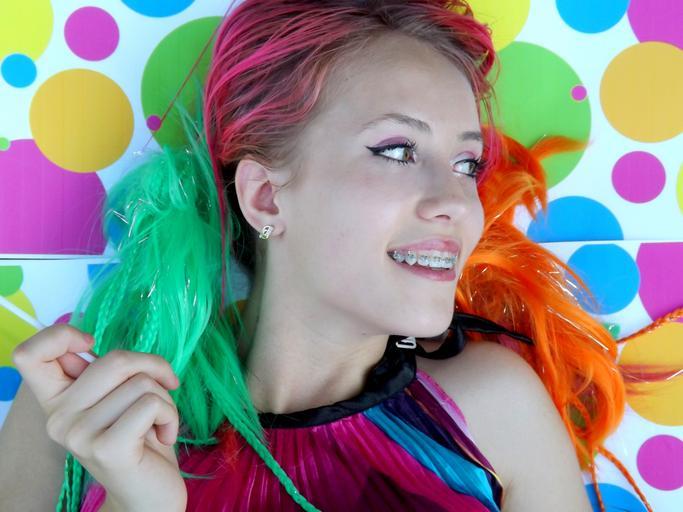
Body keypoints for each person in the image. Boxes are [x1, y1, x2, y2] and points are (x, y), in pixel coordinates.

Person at [8, 1, 679, 511]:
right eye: (397, 150)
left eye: (466, 163)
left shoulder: (496, 410)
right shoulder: (81, 408)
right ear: (266, 196)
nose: (456, 201)